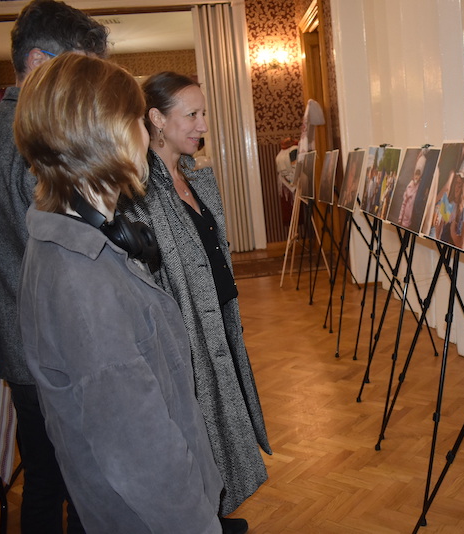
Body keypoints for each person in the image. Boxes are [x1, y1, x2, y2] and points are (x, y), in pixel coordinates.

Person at [14, 53, 228, 534]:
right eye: (137, 120)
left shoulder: (74, 242)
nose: (146, 135)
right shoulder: (82, 281)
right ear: (106, 134)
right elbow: (140, 452)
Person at [0, 2, 108, 531]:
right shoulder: (32, 136)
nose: (84, 87)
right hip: (51, 338)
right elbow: (62, 250)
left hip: (9, 334)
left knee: (44, 480)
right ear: (38, 62)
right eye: (79, 70)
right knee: (80, 481)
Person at [121, 71, 271, 518]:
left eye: (203, 113)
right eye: (192, 115)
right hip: (184, 332)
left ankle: (218, 511)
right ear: (156, 119)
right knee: (197, 426)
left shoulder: (197, 179)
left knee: (222, 420)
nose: (203, 125)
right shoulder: (139, 193)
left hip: (219, 318)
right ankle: (203, 516)